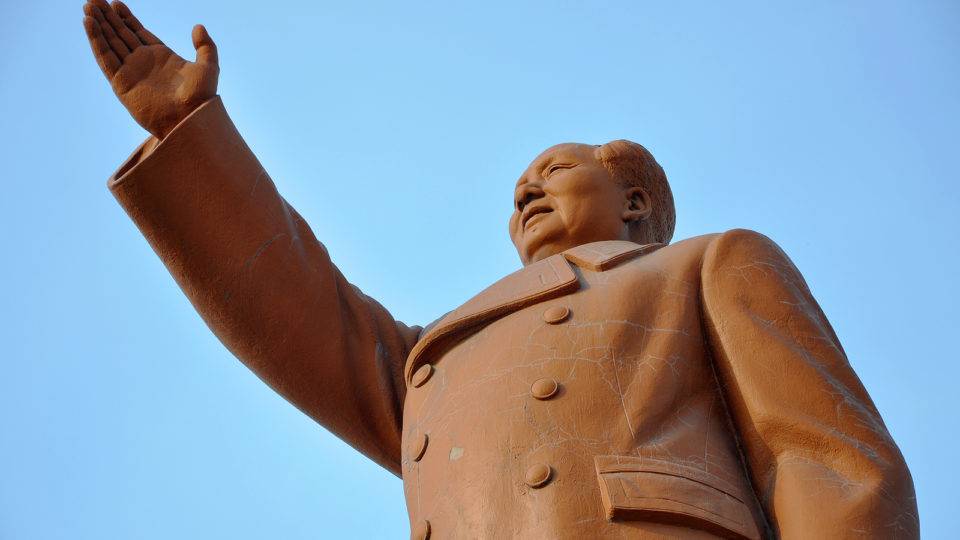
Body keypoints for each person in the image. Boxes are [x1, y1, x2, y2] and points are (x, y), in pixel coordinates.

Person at [83, 1, 919, 538]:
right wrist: (193, 133)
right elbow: (300, 308)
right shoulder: (439, 355)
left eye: (555, 168)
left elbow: (829, 464)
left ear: (633, 201)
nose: (527, 186)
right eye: (519, 185)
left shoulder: (709, 265)